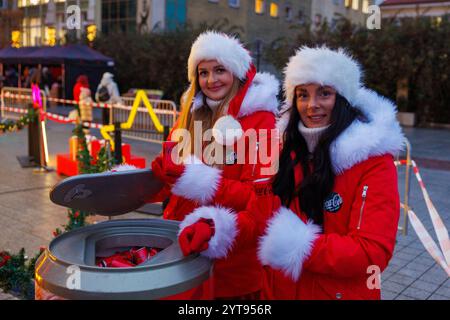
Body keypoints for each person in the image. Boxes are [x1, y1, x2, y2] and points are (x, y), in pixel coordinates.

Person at [140, 31, 280, 299]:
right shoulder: (189, 118)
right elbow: (172, 182)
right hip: (182, 251)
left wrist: (198, 180)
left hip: (233, 266)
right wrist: (132, 185)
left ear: (237, 73)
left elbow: (263, 199)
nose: (211, 80)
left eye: (219, 70)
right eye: (203, 73)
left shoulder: (264, 124)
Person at [257, 46, 405, 300]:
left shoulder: (373, 161)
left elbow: (372, 253)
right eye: (303, 95)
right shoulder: (287, 150)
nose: (312, 105)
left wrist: (297, 246)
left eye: (324, 93)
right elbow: (259, 210)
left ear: (343, 99)